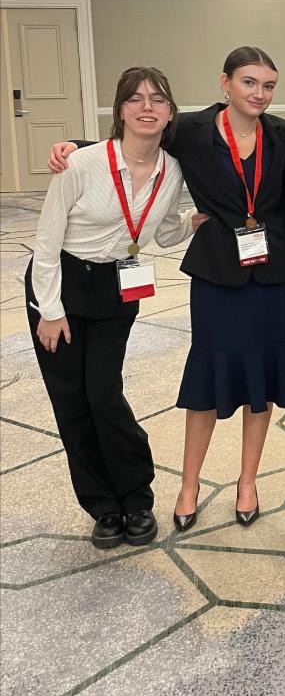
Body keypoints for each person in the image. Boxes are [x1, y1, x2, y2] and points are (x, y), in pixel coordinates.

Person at [50, 46, 285, 531]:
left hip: (272, 273)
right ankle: (189, 484)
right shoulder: (192, 129)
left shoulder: (283, 134)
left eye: (268, 85)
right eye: (249, 82)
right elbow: (135, 135)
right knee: (205, 379)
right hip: (217, 273)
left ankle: (248, 481)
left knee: (262, 380)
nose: (259, 93)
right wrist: (73, 145)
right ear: (225, 82)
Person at [28, 67, 194, 548]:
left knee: (103, 393)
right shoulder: (81, 163)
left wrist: (194, 220)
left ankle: (136, 497)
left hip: (117, 286)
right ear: (119, 110)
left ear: (170, 112)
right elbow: (46, 241)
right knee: (72, 401)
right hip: (61, 283)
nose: (147, 107)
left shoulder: (172, 170)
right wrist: (50, 310)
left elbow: (163, 231)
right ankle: (102, 506)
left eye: (158, 99)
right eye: (135, 98)